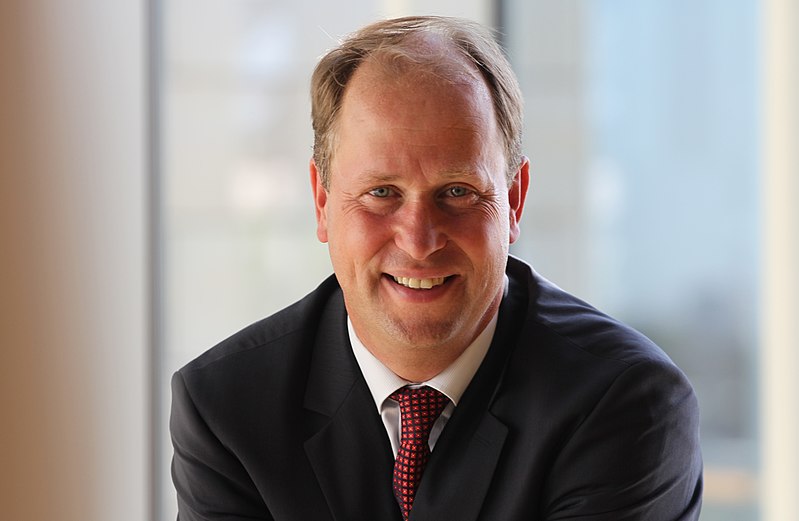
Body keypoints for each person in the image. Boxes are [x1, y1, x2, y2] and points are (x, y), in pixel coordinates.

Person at [170, 15, 703, 521]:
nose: (420, 241)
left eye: (457, 192)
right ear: (322, 201)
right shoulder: (227, 407)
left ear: (514, 201)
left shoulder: (626, 402)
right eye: (382, 192)